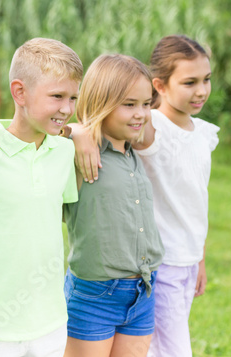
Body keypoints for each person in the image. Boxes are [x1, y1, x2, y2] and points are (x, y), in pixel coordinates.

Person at [72, 35, 219, 357]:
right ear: (161, 87)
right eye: (190, 82)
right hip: (137, 274)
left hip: (166, 273)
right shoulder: (142, 134)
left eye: (206, 80)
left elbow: (195, 203)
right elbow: (54, 130)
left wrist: (200, 258)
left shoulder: (193, 136)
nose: (201, 90)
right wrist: (78, 130)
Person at [0, 37, 82, 357]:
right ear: (19, 92)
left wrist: (81, 133)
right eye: (57, 96)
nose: (67, 108)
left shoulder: (65, 151)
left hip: (51, 320)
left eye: (73, 98)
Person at [62, 54, 165, 357]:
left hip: (143, 291)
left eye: (146, 104)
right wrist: (76, 130)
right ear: (101, 102)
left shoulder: (132, 151)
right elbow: (35, 134)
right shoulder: (80, 151)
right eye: (129, 104)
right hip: (95, 296)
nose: (141, 114)